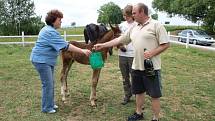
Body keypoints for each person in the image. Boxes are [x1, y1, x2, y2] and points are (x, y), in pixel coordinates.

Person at [94, 3, 170, 121]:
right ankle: (138, 113)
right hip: (136, 66)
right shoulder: (134, 27)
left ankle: (156, 118)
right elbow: (120, 39)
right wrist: (103, 45)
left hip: (151, 67)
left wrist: (152, 53)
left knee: (154, 95)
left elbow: (165, 44)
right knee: (138, 92)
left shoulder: (156, 25)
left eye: (134, 13)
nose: (132, 15)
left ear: (142, 12)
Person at [30, 9, 91, 114]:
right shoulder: (50, 32)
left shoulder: (48, 30)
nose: (61, 22)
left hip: (46, 60)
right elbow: (66, 45)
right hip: (41, 60)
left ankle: (50, 104)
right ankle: (46, 108)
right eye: (59, 19)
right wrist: (82, 50)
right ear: (53, 21)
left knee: (50, 83)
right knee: (47, 84)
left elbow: (63, 44)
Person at [118, 4, 136, 105]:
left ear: (132, 15)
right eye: (124, 16)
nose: (126, 18)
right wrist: (119, 46)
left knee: (135, 77)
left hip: (133, 55)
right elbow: (117, 39)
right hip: (122, 56)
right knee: (125, 77)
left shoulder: (137, 25)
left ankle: (137, 95)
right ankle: (127, 95)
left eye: (127, 15)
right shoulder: (121, 26)